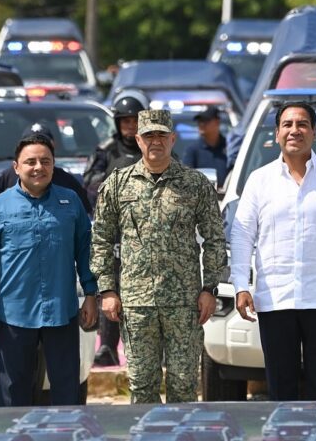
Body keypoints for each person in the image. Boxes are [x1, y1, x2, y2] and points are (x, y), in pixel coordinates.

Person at [231, 102, 316, 401]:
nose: (295, 130)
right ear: (277, 133)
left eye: (302, 124)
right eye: (287, 124)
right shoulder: (259, 180)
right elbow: (243, 235)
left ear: (314, 132)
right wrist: (241, 286)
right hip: (275, 300)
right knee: (281, 390)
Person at [91, 109, 227, 404]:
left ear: (173, 139)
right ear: (137, 139)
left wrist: (209, 288)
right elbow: (100, 238)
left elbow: (215, 239)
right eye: (149, 135)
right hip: (137, 303)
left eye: (161, 136)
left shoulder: (195, 184)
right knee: (142, 385)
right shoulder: (117, 184)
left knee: (184, 384)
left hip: (185, 302)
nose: (156, 141)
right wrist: (107, 289)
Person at [0, 134, 98, 406]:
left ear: (54, 165)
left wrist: (90, 294)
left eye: (45, 161)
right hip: (14, 313)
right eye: (30, 162)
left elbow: (86, 251)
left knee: (66, 388)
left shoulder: (71, 202)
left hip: (61, 312)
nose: (38, 167)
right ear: (16, 167)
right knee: (12, 391)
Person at [83, 91, 146, 367]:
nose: (131, 127)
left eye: (135, 121)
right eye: (126, 122)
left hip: (149, 232)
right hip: (115, 230)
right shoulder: (106, 151)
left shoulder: (155, 147)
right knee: (110, 287)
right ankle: (107, 346)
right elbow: (90, 186)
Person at [0, 123, 92, 215]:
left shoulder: (68, 185)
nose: (38, 167)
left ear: (53, 145)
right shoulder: (6, 178)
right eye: (31, 142)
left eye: (43, 142)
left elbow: (85, 218)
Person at [183, 106, 229, 188]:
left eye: (206, 121)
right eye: (199, 121)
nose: (201, 124)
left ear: (217, 122)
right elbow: (186, 180)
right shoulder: (193, 150)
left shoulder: (229, 147)